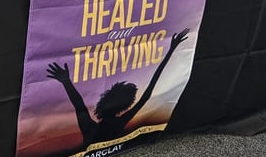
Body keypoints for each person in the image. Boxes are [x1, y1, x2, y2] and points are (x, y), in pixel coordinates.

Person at [46, 29, 190, 149]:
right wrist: (171, 50)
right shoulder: (119, 122)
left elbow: (78, 104)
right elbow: (148, 93)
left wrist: (66, 81)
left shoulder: (89, 127)